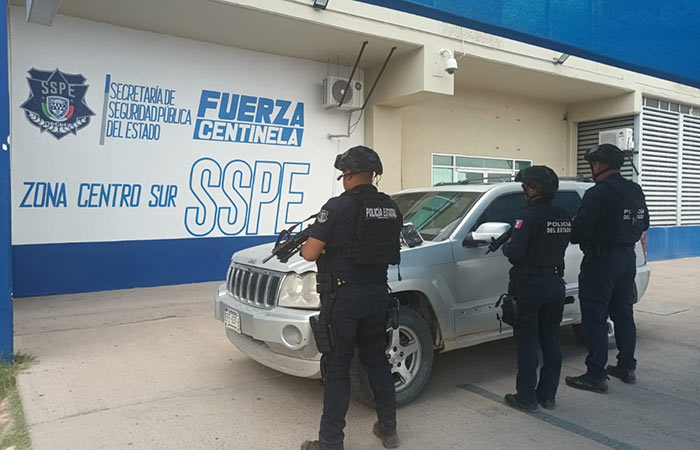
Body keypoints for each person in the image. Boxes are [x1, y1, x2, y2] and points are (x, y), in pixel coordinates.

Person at [300, 145, 402, 450]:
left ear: (347, 174)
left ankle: (331, 442)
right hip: (377, 295)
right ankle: (389, 430)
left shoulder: (337, 206)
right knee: (377, 362)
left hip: (343, 299)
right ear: (373, 175)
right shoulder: (391, 208)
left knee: (337, 368)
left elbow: (309, 254)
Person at [566, 144, 649, 393]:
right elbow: (644, 222)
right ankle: (627, 366)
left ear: (599, 164)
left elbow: (578, 233)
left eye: (593, 163)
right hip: (627, 257)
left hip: (601, 261)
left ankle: (596, 375)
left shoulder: (597, 193)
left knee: (595, 317)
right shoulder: (634, 189)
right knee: (623, 314)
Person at [502, 166, 572, 412]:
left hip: (529, 285)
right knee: (551, 341)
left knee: (527, 343)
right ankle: (547, 396)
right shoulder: (563, 215)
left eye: (525, 186)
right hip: (555, 283)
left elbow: (515, 253)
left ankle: (526, 397)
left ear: (534, 188)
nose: (524, 191)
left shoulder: (527, 216)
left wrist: (507, 245)